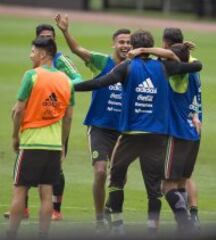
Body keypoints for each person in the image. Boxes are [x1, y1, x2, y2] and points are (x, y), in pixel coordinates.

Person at [74, 29, 202, 234]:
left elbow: (99, 83)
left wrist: (71, 87)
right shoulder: (164, 67)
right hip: (157, 137)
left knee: (116, 179)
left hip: (131, 136)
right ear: (151, 47)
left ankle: (117, 227)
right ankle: (152, 231)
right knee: (154, 189)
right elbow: (197, 65)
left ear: (133, 47)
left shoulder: (127, 66)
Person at [54, 14, 131, 232]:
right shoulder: (102, 61)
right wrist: (65, 31)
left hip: (124, 131)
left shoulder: (135, 66)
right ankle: (99, 220)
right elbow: (78, 50)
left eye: (128, 42)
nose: (125, 45)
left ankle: (109, 210)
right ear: (114, 44)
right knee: (99, 171)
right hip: (99, 127)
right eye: (121, 42)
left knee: (119, 179)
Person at [3, 24, 82, 221]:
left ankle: (15, 231)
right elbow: (68, 116)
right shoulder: (52, 76)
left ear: (42, 52)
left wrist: (15, 135)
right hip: (54, 141)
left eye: (33, 51)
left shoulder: (43, 70)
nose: (31, 54)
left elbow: (19, 109)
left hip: (33, 138)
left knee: (20, 186)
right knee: (45, 190)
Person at [162, 27, 202, 229]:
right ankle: (190, 219)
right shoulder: (192, 63)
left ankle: (185, 223)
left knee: (167, 184)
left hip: (177, 132)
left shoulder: (176, 73)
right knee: (183, 181)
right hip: (194, 130)